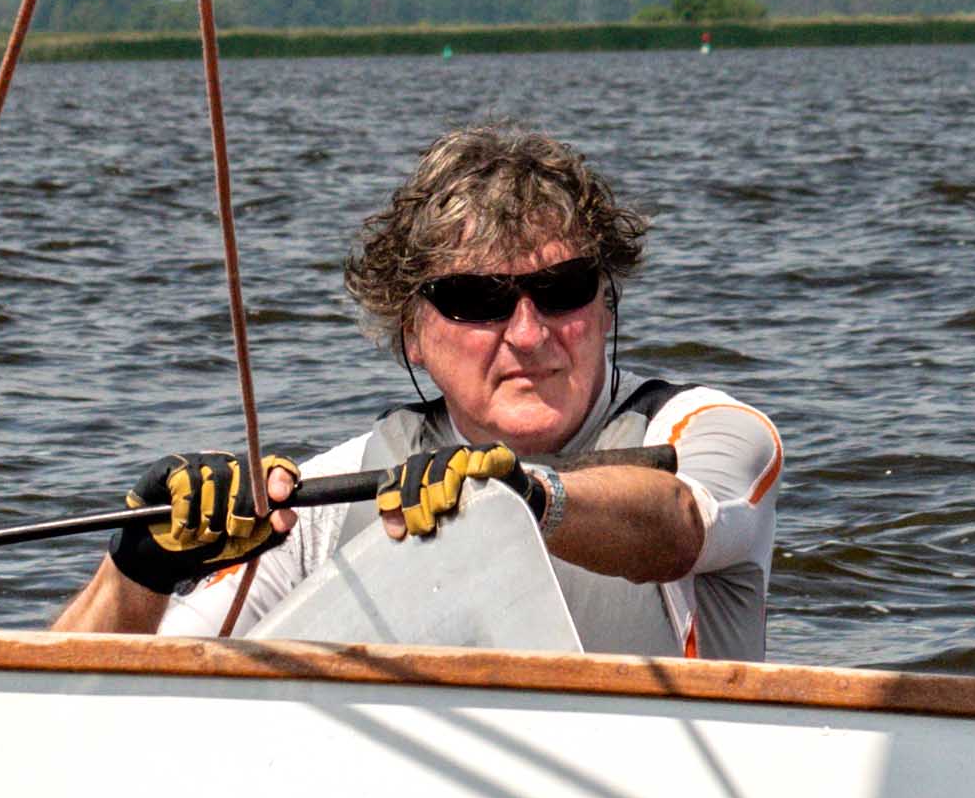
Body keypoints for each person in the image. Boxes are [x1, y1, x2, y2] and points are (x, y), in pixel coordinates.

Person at [65, 122, 783, 659]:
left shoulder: (711, 430)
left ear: (604, 303)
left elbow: (679, 522)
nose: (529, 334)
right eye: (476, 300)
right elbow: (77, 713)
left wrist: (526, 496)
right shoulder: (322, 500)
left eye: (560, 290)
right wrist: (138, 568)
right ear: (410, 332)